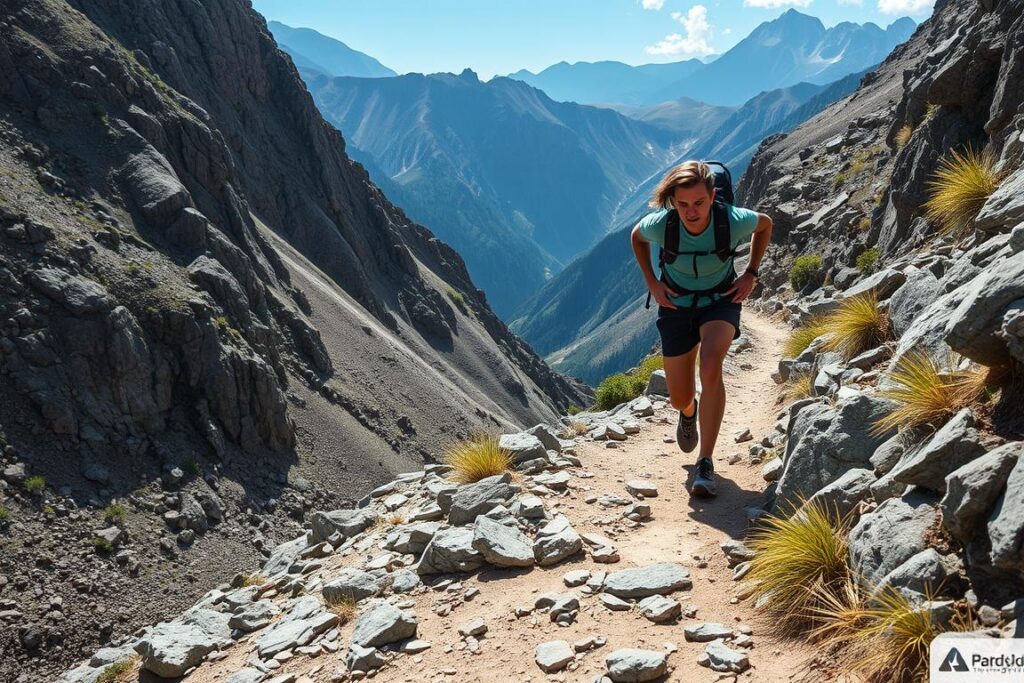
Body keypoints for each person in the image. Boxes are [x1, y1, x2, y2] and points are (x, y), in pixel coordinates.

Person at [630, 160, 773, 497]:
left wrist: (751, 272)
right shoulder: (662, 224)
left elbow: (765, 225)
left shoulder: (732, 220)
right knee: (679, 396)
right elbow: (636, 236)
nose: (690, 212)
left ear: (712, 197)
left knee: (710, 364)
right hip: (676, 306)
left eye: (698, 203)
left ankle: (705, 462)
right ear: (672, 202)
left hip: (720, 301)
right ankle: (689, 411)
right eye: (682, 204)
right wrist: (652, 281)